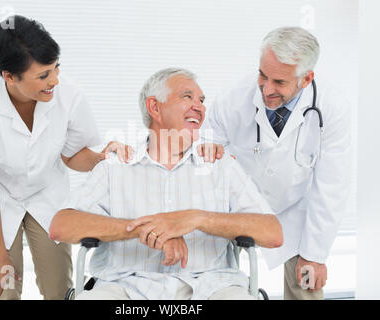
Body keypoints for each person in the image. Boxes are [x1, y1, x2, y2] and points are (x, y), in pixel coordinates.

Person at [49, 67, 283, 300]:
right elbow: (62, 226)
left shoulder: (220, 164)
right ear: (155, 107)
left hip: (212, 286)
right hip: (126, 286)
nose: (199, 107)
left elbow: (272, 233)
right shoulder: (117, 165)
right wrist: (146, 229)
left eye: (201, 100)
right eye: (187, 96)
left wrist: (195, 218)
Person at [0, 15, 133, 300]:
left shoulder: (68, 94)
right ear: (8, 76)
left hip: (46, 194)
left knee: (59, 288)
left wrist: (102, 158)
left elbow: (73, 156)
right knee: (4, 290)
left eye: (56, 68)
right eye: (43, 75)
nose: (55, 81)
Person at [202, 27, 352, 300]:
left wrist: (315, 255)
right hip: (237, 206)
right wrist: (209, 150)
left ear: (306, 78)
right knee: (214, 284)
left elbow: (331, 185)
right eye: (262, 75)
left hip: (294, 210)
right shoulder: (233, 97)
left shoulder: (332, 107)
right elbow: (208, 147)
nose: (266, 89)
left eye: (279, 82)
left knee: (307, 282)